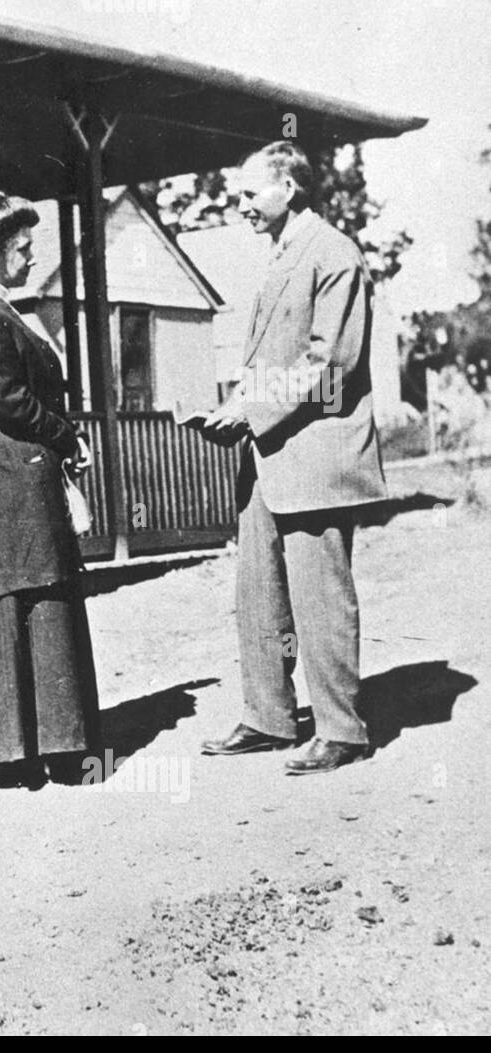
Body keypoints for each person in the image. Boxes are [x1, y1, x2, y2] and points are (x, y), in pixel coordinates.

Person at [200, 142, 387, 773]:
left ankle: (342, 729)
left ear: (290, 187)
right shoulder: (284, 254)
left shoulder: (333, 252)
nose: (242, 204)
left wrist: (251, 412)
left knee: (319, 595)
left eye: (252, 193)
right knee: (259, 591)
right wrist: (236, 408)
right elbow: (276, 359)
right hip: (269, 453)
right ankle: (268, 716)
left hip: (316, 456)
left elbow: (330, 365)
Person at [0, 190, 100, 786]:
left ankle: (45, 743)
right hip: (10, 482)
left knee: (37, 594)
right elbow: (2, 396)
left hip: (22, 477)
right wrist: (65, 436)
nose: (32, 257)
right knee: (23, 595)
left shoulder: (3, 309)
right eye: (23, 249)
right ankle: (26, 747)